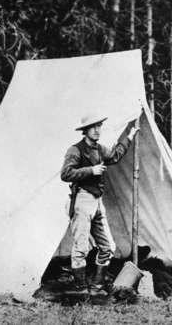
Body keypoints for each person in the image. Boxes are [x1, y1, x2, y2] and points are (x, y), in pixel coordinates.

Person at [60, 113, 139, 294]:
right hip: (82, 199)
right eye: (93, 127)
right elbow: (66, 174)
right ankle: (80, 289)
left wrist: (129, 136)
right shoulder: (75, 150)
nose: (97, 130)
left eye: (99, 126)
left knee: (107, 247)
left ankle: (96, 286)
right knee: (81, 247)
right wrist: (91, 170)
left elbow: (115, 156)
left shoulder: (99, 149)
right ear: (85, 131)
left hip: (96, 201)